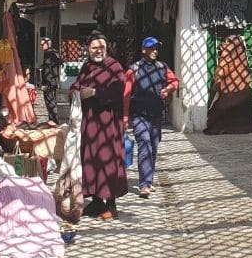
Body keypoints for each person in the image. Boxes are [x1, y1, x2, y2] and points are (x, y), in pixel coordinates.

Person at [69, 31, 128, 220]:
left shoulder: (114, 67)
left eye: (101, 47)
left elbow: (118, 91)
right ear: (88, 49)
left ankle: (111, 205)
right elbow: (76, 86)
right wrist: (75, 93)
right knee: (90, 161)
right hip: (90, 124)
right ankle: (96, 201)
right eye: (94, 47)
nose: (98, 51)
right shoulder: (86, 67)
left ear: (107, 48)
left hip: (108, 125)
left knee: (107, 162)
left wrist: (94, 92)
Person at [123, 36, 180, 198]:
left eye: (156, 48)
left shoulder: (162, 67)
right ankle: (144, 184)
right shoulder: (133, 70)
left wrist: (168, 89)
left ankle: (149, 179)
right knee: (145, 144)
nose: (155, 51)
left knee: (153, 146)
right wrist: (125, 117)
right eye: (151, 48)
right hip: (138, 114)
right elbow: (126, 94)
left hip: (156, 115)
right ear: (143, 50)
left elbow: (175, 81)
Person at [205, 35, 252, 135]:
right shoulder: (242, 54)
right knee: (241, 109)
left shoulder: (228, 54)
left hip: (229, 89)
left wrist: (217, 80)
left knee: (221, 108)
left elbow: (222, 69)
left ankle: (226, 128)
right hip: (244, 89)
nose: (225, 43)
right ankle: (243, 128)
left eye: (227, 41)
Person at [39, 37, 62, 124]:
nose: (41, 47)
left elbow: (48, 69)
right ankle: (53, 120)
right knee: (53, 101)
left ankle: (54, 121)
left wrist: (45, 83)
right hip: (55, 81)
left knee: (50, 102)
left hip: (50, 82)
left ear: (47, 44)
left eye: (42, 45)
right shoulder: (55, 52)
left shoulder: (48, 54)